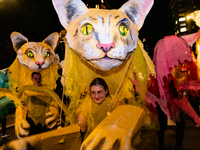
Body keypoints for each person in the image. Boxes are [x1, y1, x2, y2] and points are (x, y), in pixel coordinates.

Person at [146, 34, 200, 150]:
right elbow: (179, 99)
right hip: (163, 101)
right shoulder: (167, 78)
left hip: (159, 100)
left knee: (162, 127)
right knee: (177, 124)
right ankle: (177, 147)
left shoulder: (159, 71)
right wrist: (194, 115)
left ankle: (163, 146)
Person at [18, 72, 59, 136]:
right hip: (32, 122)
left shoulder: (47, 90)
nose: (38, 80)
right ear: (32, 79)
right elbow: (22, 105)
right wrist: (22, 117)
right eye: (36, 78)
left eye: (39, 78)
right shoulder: (27, 91)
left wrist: (54, 109)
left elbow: (53, 101)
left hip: (44, 121)